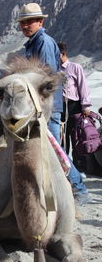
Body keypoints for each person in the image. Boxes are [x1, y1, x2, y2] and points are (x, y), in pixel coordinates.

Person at [18, 2, 92, 204]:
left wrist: (41, 108)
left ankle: (78, 188)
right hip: (41, 107)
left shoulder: (42, 42)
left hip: (47, 108)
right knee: (48, 151)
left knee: (54, 152)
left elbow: (45, 78)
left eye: (30, 21)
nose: (25, 26)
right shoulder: (34, 42)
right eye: (23, 22)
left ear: (40, 21)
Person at [58, 42, 92, 171]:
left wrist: (85, 106)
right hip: (60, 107)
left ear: (64, 54)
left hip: (74, 107)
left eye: (57, 55)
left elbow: (83, 86)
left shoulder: (75, 67)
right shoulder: (54, 70)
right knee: (62, 137)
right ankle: (64, 166)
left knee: (77, 137)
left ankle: (80, 167)